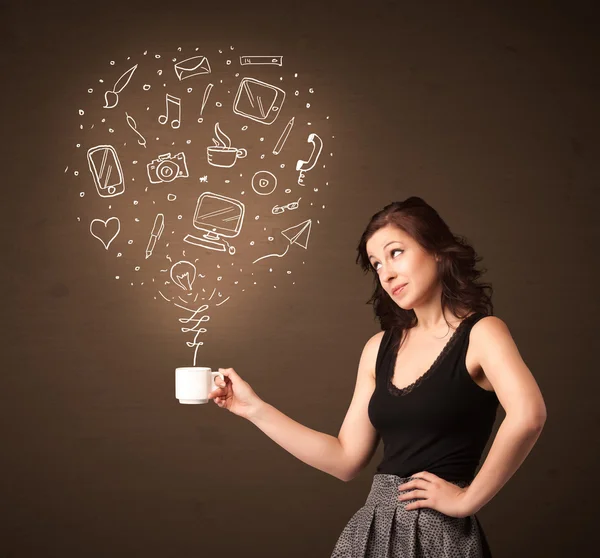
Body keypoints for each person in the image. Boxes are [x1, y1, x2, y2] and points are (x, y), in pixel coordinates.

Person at [207, 197, 547, 557]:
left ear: (436, 251)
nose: (386, 273)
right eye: (376, 264)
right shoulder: (378, 348)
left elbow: (529, 415)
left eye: (396, 252)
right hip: (370, 532)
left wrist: (467, 500)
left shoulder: (482, 333)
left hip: (438, 535)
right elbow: (344, 460)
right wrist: (253, 409)